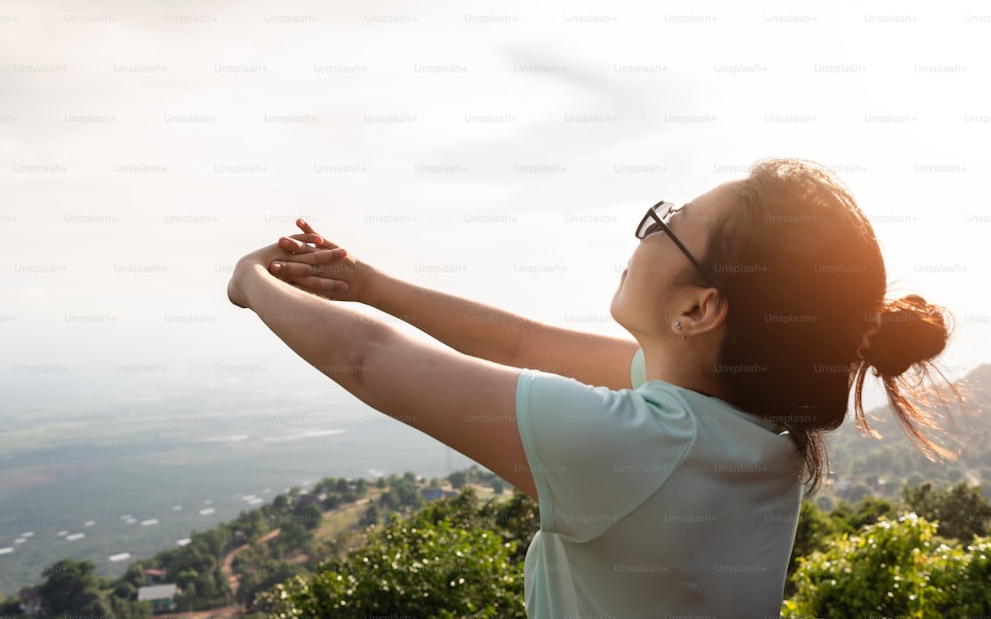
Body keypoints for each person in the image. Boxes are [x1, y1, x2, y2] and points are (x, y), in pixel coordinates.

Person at [227, 157, 956, 617]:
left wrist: (252, 282)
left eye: (667, 225)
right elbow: (523, 345)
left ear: (698, 308)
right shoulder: (754, 424)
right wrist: (369, 284)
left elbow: (366, 363)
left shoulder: (639, 447)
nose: (645, 231)